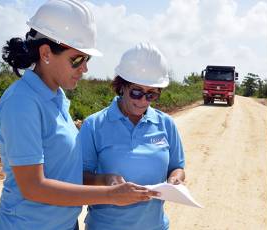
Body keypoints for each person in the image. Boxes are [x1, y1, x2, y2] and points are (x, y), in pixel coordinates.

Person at [0, 1, 159, 229]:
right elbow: (33, 187)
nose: (85, 68)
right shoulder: (22, 103)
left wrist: (105, 181)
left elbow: (62, 171)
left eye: (87, 59)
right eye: (77, 60)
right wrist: (110, 196)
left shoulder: (56, 97)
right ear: (46, 53)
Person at [79, 42, 186, 230]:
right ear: (122, 86)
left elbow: (177, 167)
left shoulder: (166, 124)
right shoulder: (94, 125)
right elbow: (79, 177)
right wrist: (107, 181)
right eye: (136, 92)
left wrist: (175, 180)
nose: (143, 101)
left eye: (151, 94)